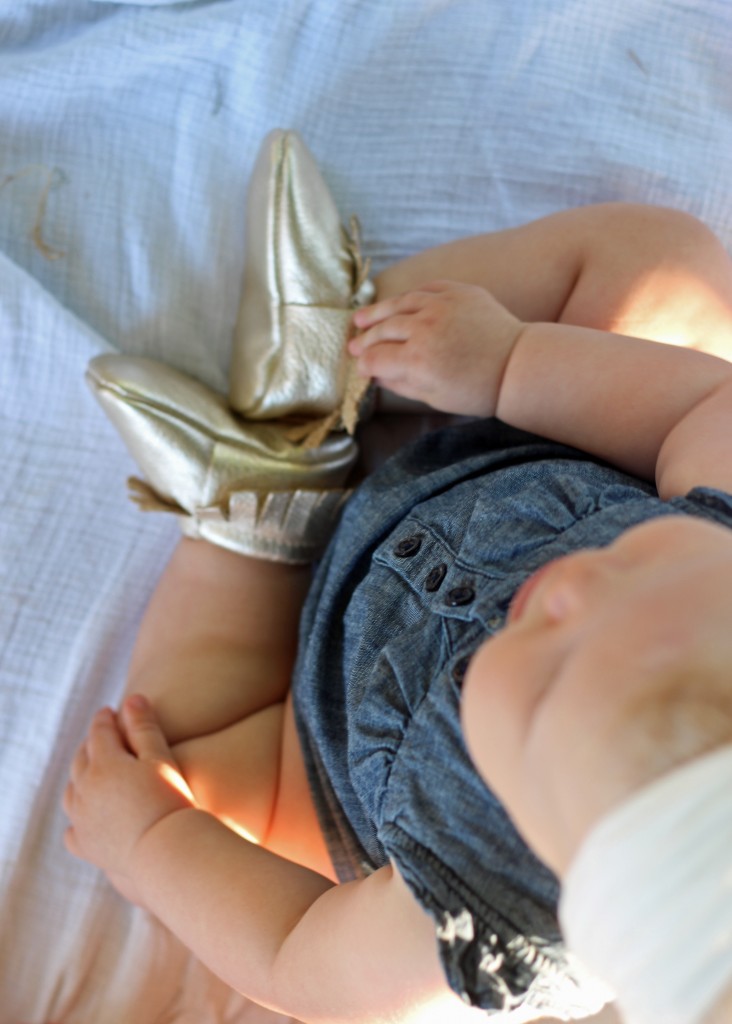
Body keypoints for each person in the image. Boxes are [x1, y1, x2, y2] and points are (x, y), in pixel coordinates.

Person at [63, 131, 732, 1023]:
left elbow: (297, 955)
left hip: (335, 717)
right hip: (521, 445)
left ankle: (257, 508)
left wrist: (149, 840)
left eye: (553, 678)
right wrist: (506, 361)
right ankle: (344, 349)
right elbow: (698, 403)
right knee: (661, 267)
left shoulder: (485, 916)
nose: (572, 594)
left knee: (188, 771)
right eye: (647, 573)